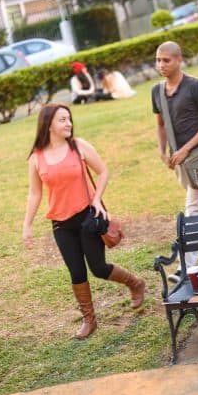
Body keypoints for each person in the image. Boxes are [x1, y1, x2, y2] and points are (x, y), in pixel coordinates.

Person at [22, 103, 145, 339]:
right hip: (60, 223)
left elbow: (103, 171)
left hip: (88, 216)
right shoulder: (36, 158)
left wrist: (97, 200)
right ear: (48, 125)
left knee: (98, 268)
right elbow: (34, 193)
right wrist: (26, 226)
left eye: (69, 119)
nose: (68, 123)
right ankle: (89, 320)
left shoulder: (78, 147)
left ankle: (135, 283)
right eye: (62, 120)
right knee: (76, 272)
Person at [151, 41, 198, 279]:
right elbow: (161, 124)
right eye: (158, 60)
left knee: (193, 209)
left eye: (166, 60)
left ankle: (186, 265)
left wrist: (186, 149)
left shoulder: (196, 86)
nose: (161, 64)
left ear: (179, 60)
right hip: (180, 160)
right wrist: (163, 151)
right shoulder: (157, 91)